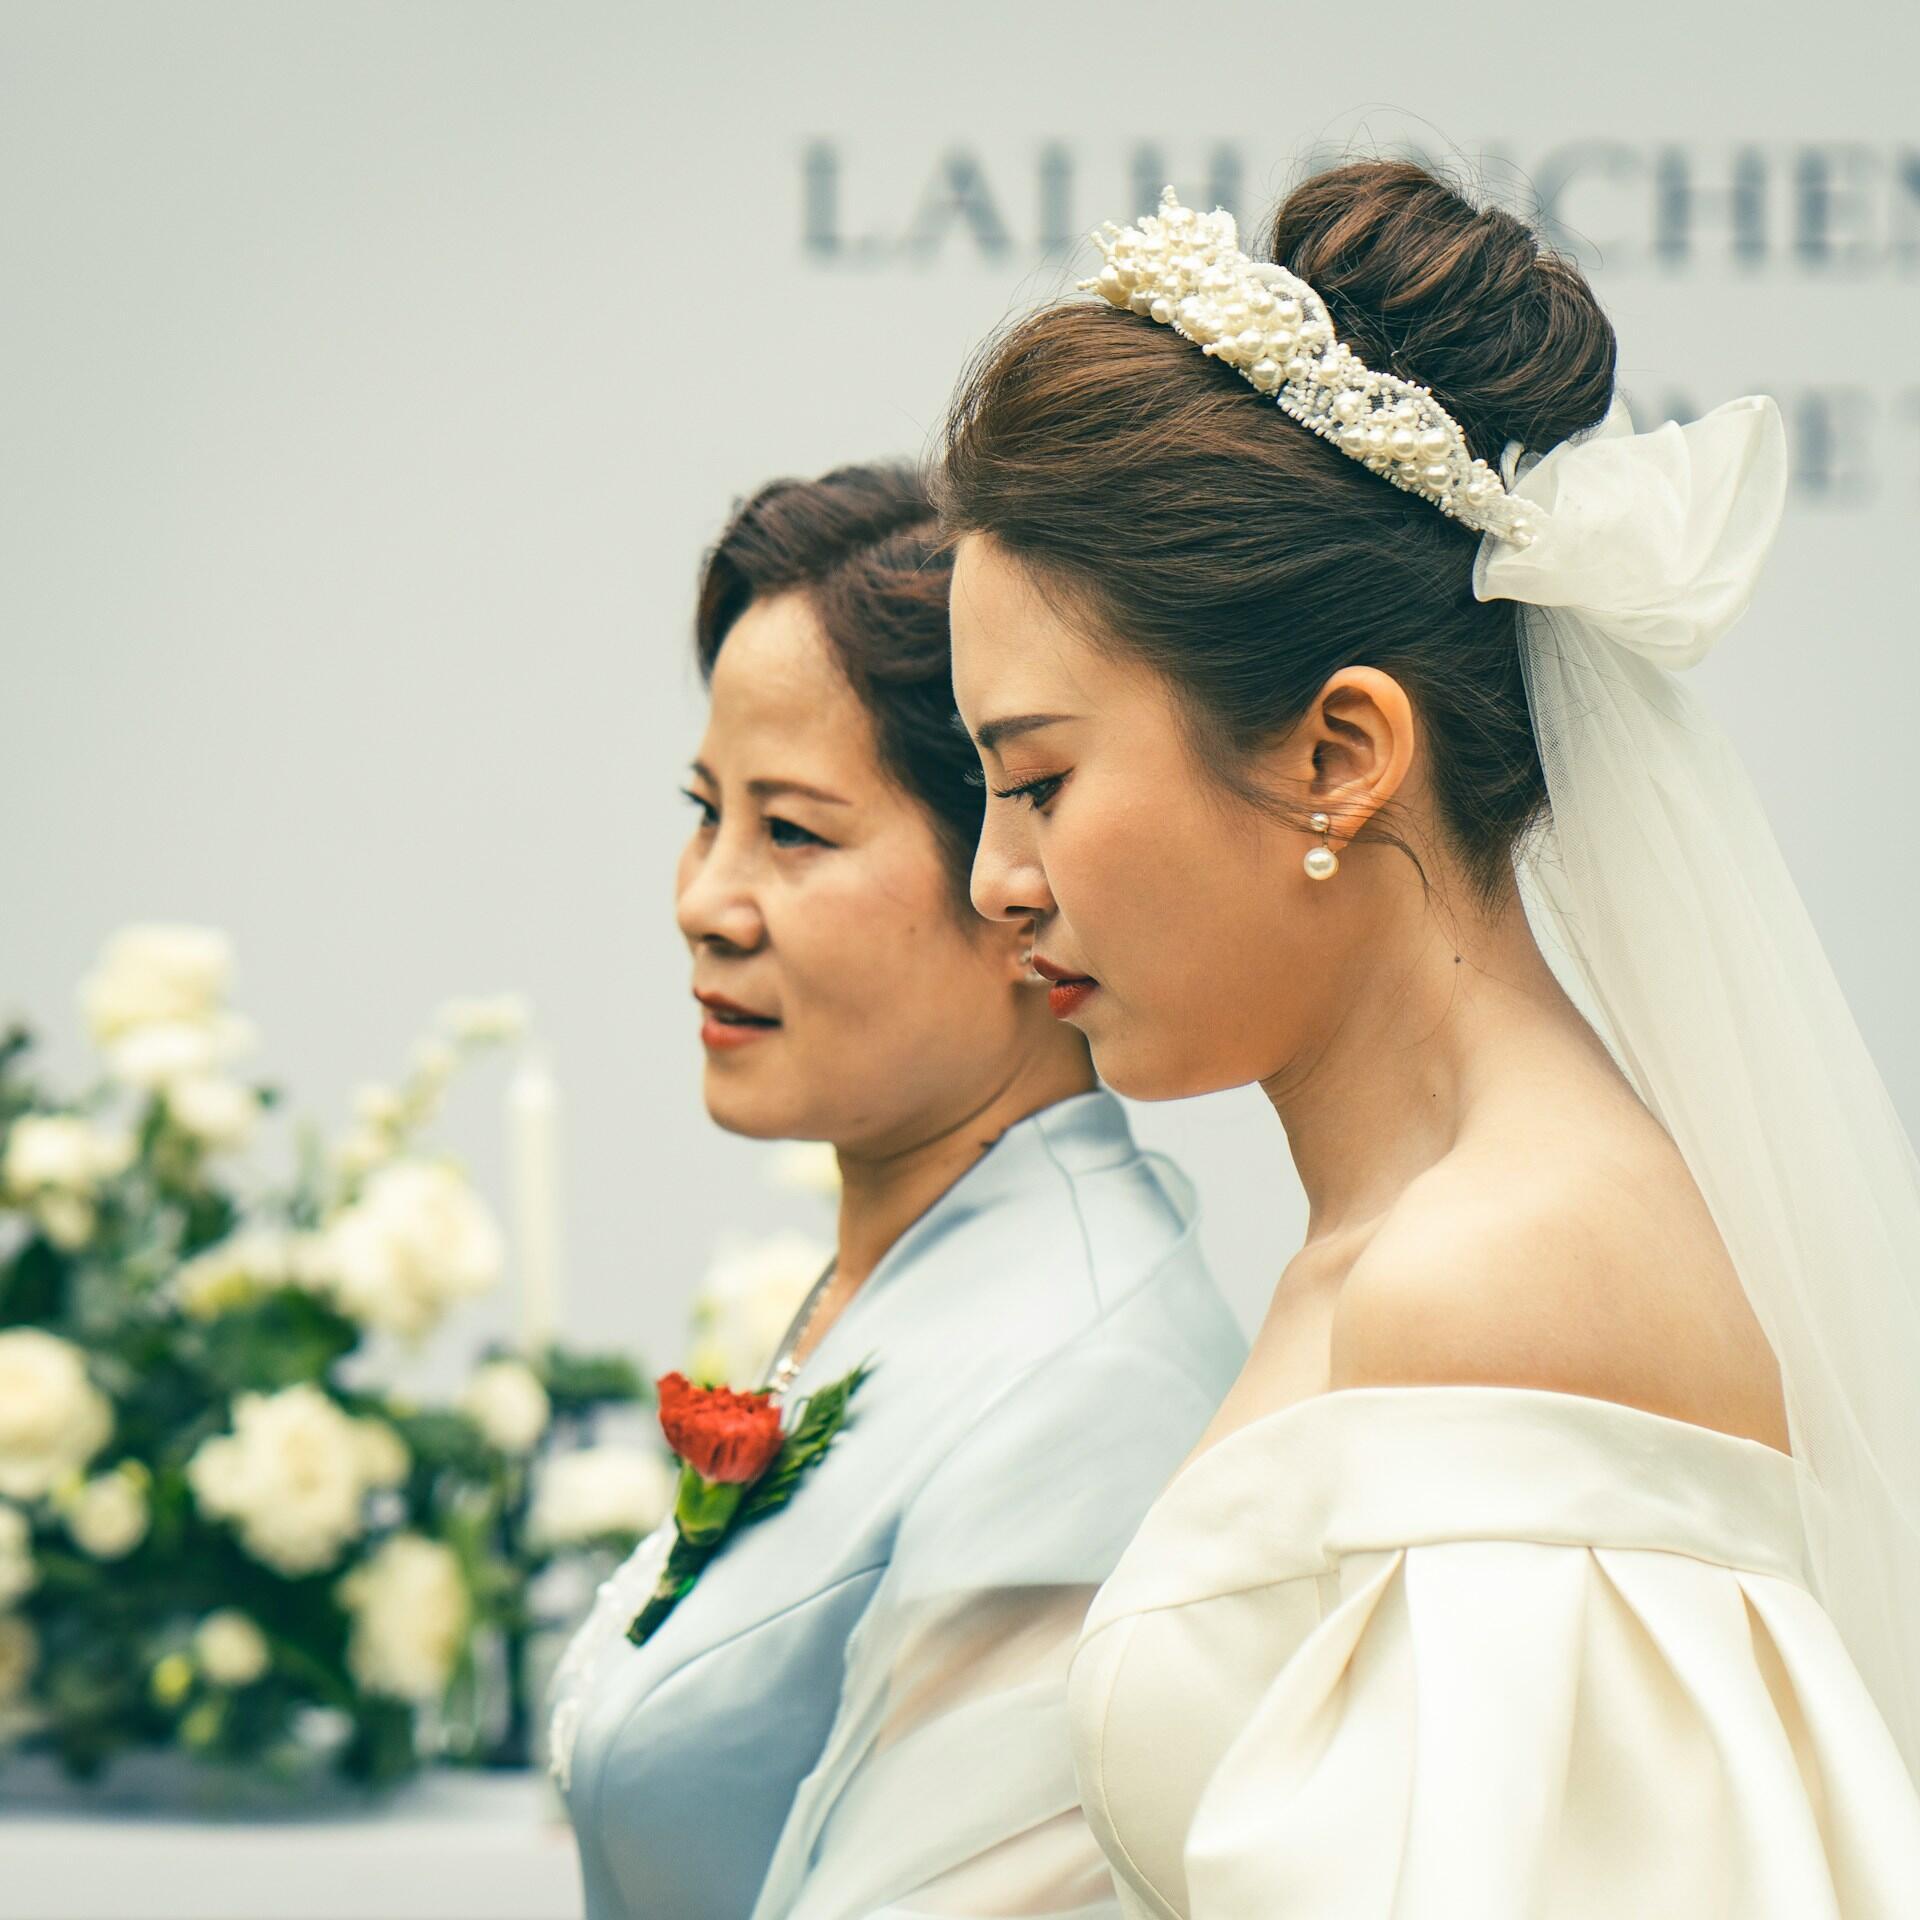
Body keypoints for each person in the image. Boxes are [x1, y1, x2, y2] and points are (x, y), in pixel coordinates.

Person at [937, 159, 1920, 1913]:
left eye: (1040, 780)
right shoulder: (1418, 1240)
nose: (998, 879)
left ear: (1340, 751)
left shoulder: (1501, 1279)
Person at [545, 462, 1246, 1920]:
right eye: (706, 811)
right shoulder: (917, 1276)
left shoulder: (1086, 1382)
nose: (703, 899)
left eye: (792, 832)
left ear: (1013, 883)